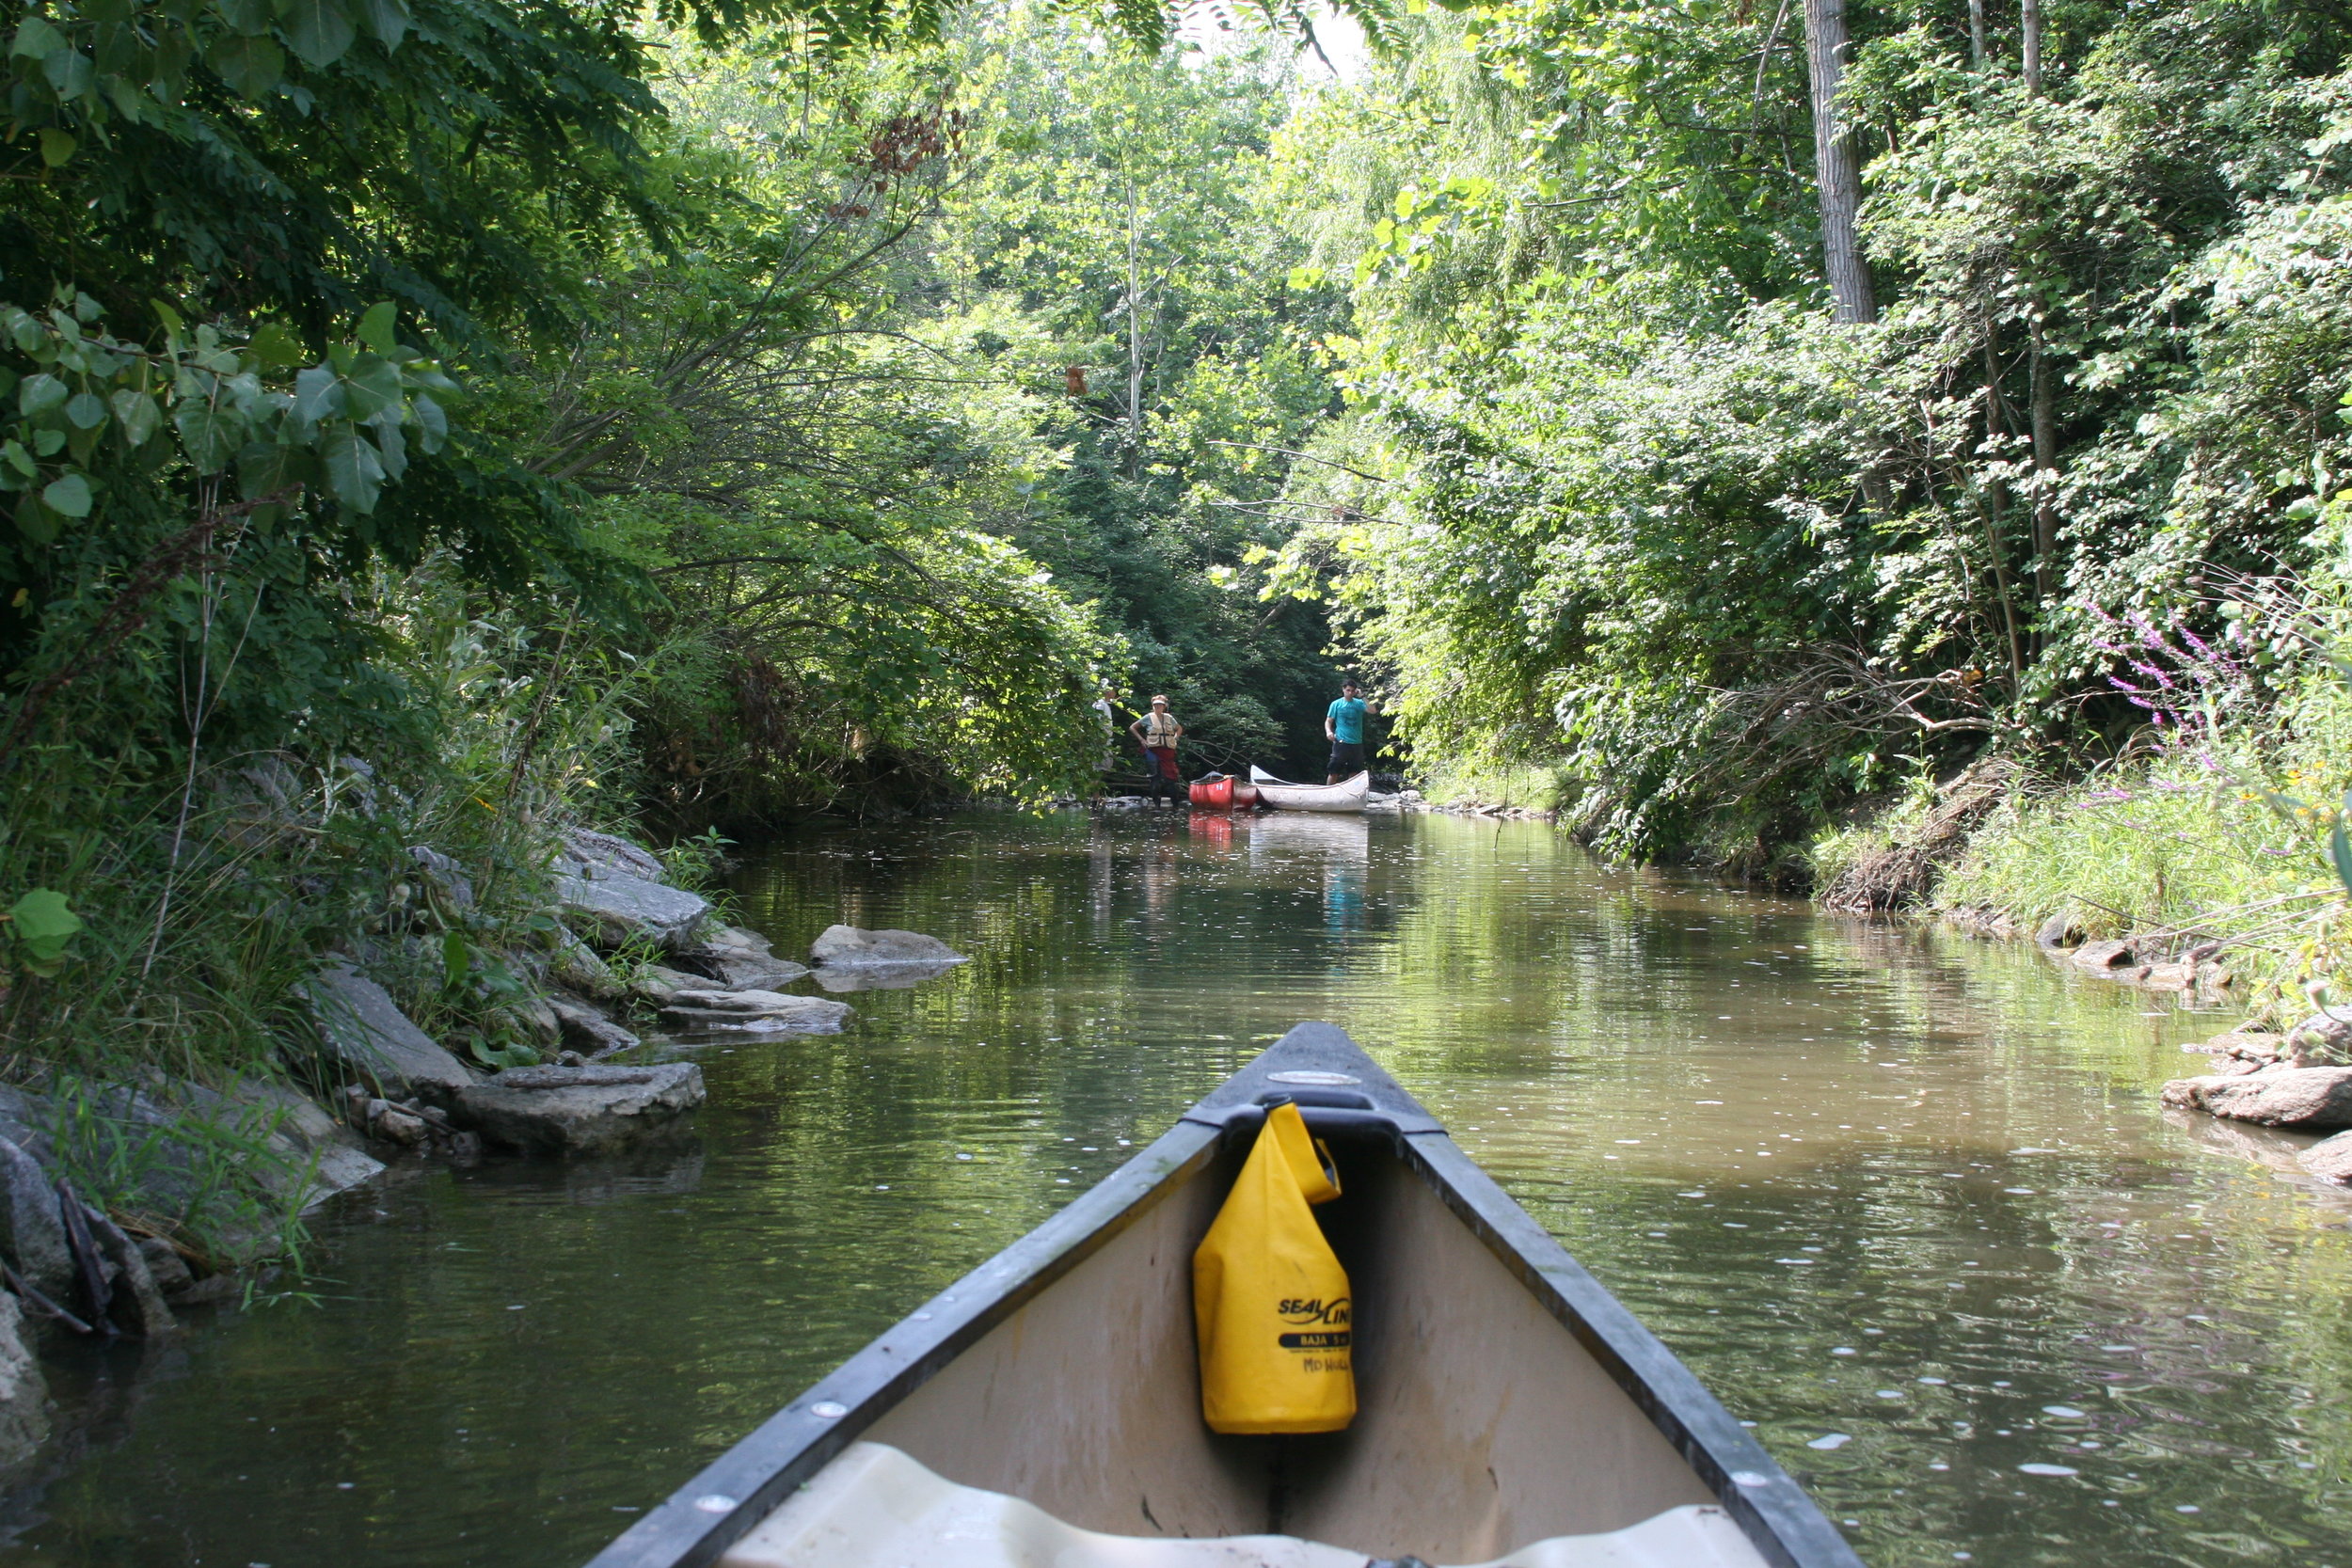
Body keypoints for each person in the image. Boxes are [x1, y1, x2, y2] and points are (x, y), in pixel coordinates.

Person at [1129, 694, 1184, 801]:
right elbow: (1133, 727)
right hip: (1152, 750)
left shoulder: (1169, 718)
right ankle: (1156, 805)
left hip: (1167, 750)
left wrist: (1175, 738)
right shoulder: (1148, 717)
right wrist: (1142, 740)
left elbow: (1179, 728)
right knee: (1155, 778)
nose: (1158, 707)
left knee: (1171, 778)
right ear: (1153, 706)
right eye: (1156, 705)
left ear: (1164, 706)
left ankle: (1175, 805)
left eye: (1160, 705)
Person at [1324, 678, 1378, 784]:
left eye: (1352, 691)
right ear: (1343, 689)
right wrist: (1328, 732)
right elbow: (1328, 721)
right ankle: (1328, 791)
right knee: (1334, 771)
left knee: (1354, 771)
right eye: (1348, 690)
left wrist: (1363, 696)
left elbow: (1373, 710)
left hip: (1356, 742)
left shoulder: (1359, 703)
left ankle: (1350, 792)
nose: (1350, 693)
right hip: (1341, 741)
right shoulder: (1336, 704)